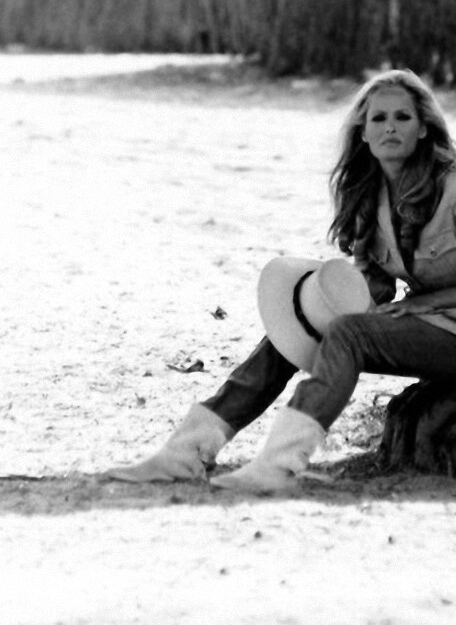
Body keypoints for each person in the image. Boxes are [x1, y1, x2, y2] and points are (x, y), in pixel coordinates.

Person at [105, 68, 456, 492]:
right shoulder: (370, 194)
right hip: (425, 330)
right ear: (363, 133)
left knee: (348, 334)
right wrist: (329, 301)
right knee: (299, 324)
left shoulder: (452, 186)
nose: (390, 128)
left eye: (402, 117)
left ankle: (280, 467)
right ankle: (187, 452)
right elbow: (376, 287)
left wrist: (422, 303)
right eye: (378, 118)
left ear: (423, 128)